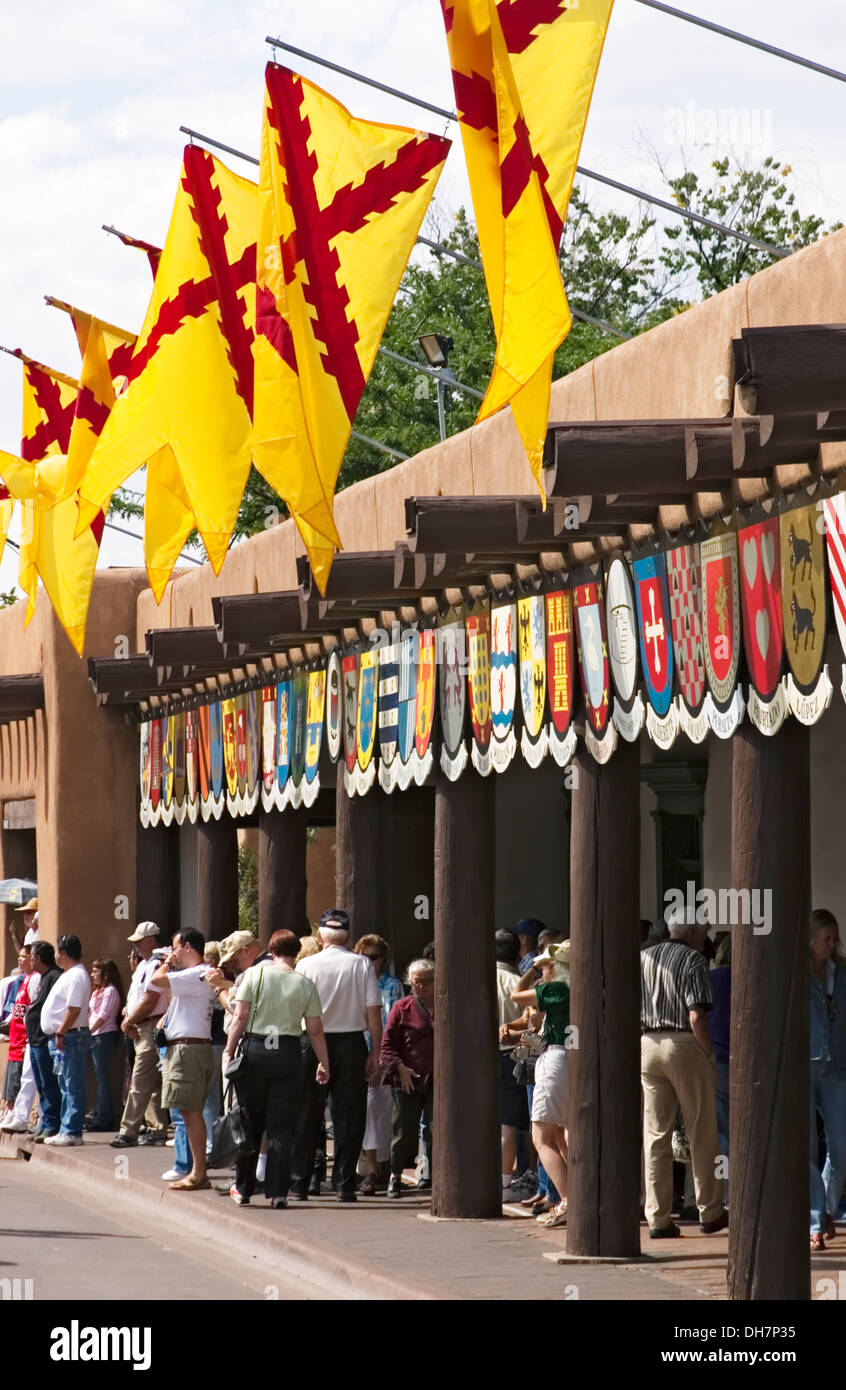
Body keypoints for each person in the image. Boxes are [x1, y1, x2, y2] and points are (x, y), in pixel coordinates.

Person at [224, 929, 329, 1208]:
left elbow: (240, 1016)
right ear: (296, 954)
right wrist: (324, 1062)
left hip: (257, 1049)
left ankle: (243, 1188)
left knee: (250, 1121)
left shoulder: (254, 975)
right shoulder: (305, 984)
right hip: (288, 1052)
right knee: (282, 1125)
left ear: (271, 951)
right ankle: (279, 1192)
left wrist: (229, 1049)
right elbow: (316, 1031)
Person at [639, 911, 727, 1238]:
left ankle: (658, 1217)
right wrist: (707, 1051)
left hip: (648, 1043)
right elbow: (695, 1015)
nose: (706, 937)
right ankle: (710, 1211)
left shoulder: (643, 957)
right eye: (703, 930)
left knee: (655, 1135)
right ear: (689, 930)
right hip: (684, 1043)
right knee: (701, 1130)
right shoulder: (693, 959)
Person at [291, 909, 382, 1202]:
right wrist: (376, 1052)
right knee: (350, 1115)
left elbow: (296, 1011)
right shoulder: (362, 965)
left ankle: (301, 1181)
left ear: (320, 936)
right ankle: (344, 1183)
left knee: (307, 1112)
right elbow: (373, 1012)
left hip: (311, 1041)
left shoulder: (306, 965)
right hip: (351, 1043)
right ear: (348, 936)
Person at [512, 941, 572, 1229]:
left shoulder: (557, 989)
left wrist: (532, 967)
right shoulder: (581, 987)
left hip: (556, 1060)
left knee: (542, 1138)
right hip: (575, 1058)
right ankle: (578, 1196)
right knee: (562, 1135)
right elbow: (536, 1021)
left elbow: (516, 994)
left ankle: (568, 1200)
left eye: (547, 965)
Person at [151, 928, 217, 1191]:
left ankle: (197, 1172)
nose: (173, 953)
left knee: (189, 1113)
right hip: (190, 1047)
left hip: (188, 1050)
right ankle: (196, 1170)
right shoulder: (196, 976)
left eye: (176, 947)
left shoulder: (195, 973)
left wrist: (166, 962)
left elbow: (158, 979)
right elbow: (169, 995)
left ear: (188, 947)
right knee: (189, 1112)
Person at [380, 959, 435, 1198]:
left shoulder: (445, 1004)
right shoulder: (402, 1007)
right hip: (408, 1078)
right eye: (416, 983)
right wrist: (400, 1067)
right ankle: (395, 1176)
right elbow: (387, 1045)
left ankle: (431, 1173)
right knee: (403, 1129)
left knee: (435, 1129)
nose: (420, 987)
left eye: (426, 982)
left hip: (436, 1078)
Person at [111, 922, 169, 1148]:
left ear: (152, 940)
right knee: (152, 1083)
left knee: (140, 1080)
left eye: (139, 940)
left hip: (150, 1026)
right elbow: (140, 999)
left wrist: (128, 1020)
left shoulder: (156, 964)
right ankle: (156, 1128)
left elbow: (150, 1000)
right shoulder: (145, 965)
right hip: (143, 1026)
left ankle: (128, 1131)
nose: (135, 945)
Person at [809, 908, 846, 1251]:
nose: (832, 945)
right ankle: (816, 1219)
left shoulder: (842, 973)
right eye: (826, 939)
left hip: (837, 1066)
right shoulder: (799, 974)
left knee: (841, 1145)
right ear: (811, 940)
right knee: (807, 1146)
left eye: (835, 938)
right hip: (806, 1064)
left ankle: (828, 1209)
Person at [354, 934, 403, 1196]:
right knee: (361, 1111)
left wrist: (383, 1057)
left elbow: (392, 1025)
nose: (370, 962)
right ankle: (369, 1167)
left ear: (383, 959)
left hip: (380, 1054)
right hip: (354, 1052)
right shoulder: (355, 983)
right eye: (365, 956)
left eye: (374, 957)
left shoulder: (392, 985)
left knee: (378, 1112)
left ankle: (376, 1169)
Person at [41, 934, 91, 1147]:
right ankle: (66, 1129)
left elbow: (73, 1009)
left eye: (56, 952)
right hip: (64, 1037)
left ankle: (72, 1131)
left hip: (71, 1036)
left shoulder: (78, 975)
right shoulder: (69, 974)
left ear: (62, 953)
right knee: (65, 1085)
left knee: (73, 1084)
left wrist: (60, 1033)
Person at [495, 930, 530, 1195]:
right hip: (511, 1054)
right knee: (508, 1121)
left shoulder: (475, 980)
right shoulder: (518, 982)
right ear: (518, 951)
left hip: (477, 1057)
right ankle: (505, 1181)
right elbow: (531, 1026)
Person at [20, 942, 62, 1140]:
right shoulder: (42, 978)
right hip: (35, 1040)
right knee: (41, 1084)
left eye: (32, 956)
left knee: (49, 1084)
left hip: (45, 1040)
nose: (29, 960)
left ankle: (53, 1124)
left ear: (39, 958)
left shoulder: (55, 977)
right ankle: (45, 1122)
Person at [87, 958, 124, 1131]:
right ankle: (100, 1114)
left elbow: (104, 1015)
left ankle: (104, 1117)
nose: (93, 974)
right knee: (99, 1077)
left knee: (103, 1079)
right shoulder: (97, 992)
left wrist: (89, 1031)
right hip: (95, 1036)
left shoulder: (111, 991)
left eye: (96, 971)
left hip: (104, 1035)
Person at [709, 933, 731, 1174]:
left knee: (721, 1131)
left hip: (716, 1060)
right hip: (746, 1064)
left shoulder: (710, 978)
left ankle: (726, 1189)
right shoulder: (754, 979)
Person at [1, 947, 34, 1112]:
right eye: (19, 956)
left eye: (24, 956)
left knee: (20, 1078)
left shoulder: (35, 980)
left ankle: (17, 1113)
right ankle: (8, 1109)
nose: (20, 959)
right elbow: (13, 1009)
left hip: (24, 1038)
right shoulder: (20, 981)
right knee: (11, 1076)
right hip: (15, 1035)